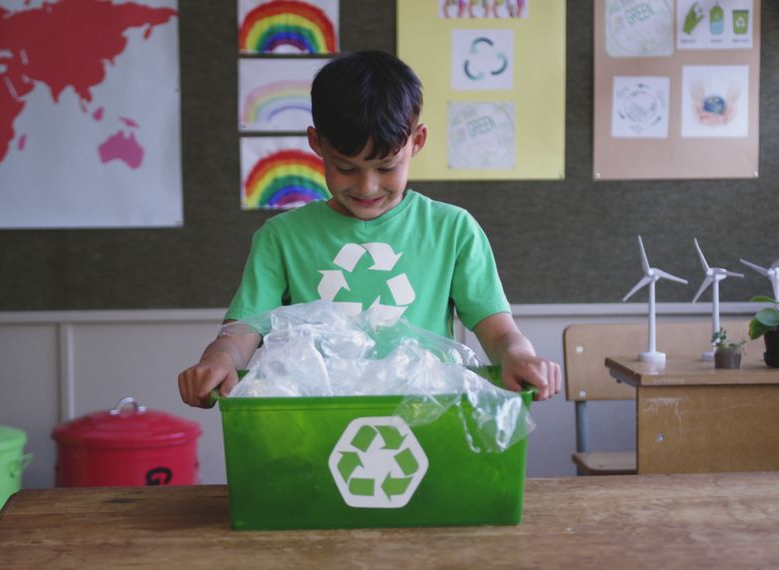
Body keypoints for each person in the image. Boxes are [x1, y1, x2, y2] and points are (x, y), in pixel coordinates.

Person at [178, 50, 561, 408]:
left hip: (424, 413)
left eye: (386, 167)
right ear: (316, 143)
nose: (366, 187)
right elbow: (242, 331)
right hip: (316, 416)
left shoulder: (453, 230)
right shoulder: (282, 238)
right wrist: (219, 359)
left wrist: (520, 356)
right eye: (345, 168)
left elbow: (498, 331)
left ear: (417, 142)